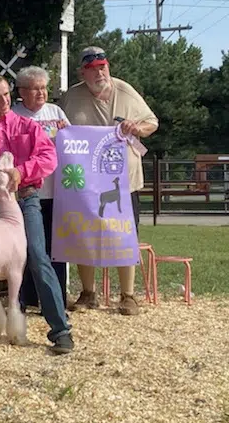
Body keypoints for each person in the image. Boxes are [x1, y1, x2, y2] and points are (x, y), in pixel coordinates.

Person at [0, 72, 74, 354]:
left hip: (24, 198)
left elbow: (47, 157)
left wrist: (21, 171)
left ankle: (60, 329)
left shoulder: (28, 127)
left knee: (36, 256)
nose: (4, 101)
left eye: (6, 94)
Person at [58, 46, 158, 315]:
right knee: (84, 233)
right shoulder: (70, 97)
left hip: (124, 180)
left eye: (103, 66)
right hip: (86, 182)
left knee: (125, 233)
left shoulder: (125, 91)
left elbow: (152, 122)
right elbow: (60, 127)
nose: (99, 72)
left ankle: (128, 295)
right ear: (82, 72)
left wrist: (137, 128)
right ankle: (88, 293)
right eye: (92, 69)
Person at [11, 66, 69, 308]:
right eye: (35, 89)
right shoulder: (14, 116)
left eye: (44, 88)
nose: (41, 93)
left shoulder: (56, 112)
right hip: (27, 193)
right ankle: (27, 299)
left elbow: (75, 143)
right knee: (28, 248)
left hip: (58, 192)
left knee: (56, 249)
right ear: (22, 91)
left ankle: (56, 300)